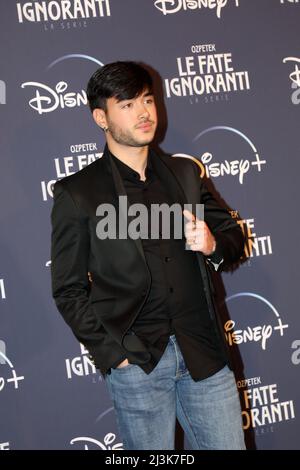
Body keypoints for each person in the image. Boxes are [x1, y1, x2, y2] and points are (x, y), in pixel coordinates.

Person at [51, 61, 246, 450]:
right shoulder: (78, 193)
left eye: (147, 99)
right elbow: (68, 290)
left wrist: (212, 245)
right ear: (100, 117)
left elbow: (232, 238)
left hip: (204, 355)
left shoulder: (184, 173)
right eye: (126, 104)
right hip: (138, 364)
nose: (143, 112)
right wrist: (114, 355)